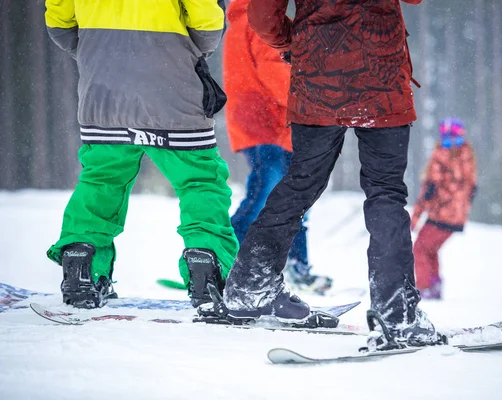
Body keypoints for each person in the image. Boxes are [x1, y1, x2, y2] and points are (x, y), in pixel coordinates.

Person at [222, 0, 441, 346]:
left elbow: (263, 16)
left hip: (318, 76)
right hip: (380, 77)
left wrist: (296, 42)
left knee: (299, 184)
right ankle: (397, 314)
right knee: (385, 192)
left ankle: (250, 285)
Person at [44, 0, 238, 309]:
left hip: (103, 88)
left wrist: (99, 51)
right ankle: (207, 268)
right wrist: (181, 50)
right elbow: (206, 22)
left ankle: (83, 265)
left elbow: (59, 22)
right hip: (171, 86)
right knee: (200, 181)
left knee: (101, 180)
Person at [222, 0, 332, 294]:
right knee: (268, 198)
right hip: (269, 120)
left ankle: (295, 266)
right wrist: (311, 100)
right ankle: (228, 261)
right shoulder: (260, 18)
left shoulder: (240, 19)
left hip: (259, 121)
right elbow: (276, 72)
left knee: (285, 198)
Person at [410, 118, 477, 300]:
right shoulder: (467, 157)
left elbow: (429, 189)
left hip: (441, 214)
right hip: (456, 217)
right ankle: (434, 285)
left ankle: (424, 287)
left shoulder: (442, 155)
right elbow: (471, 189)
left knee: (420, 249)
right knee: (430, 249)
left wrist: (414, 219)